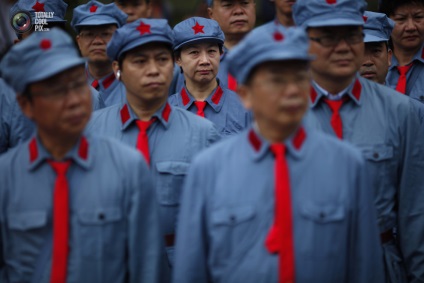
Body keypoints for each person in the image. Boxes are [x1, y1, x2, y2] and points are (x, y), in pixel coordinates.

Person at [173, 24, 384, 283]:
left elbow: (365, 269)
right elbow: (191, 271)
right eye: (276, 80)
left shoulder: (347, 165)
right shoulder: (209, 169)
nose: (292, 90)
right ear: (245, 95)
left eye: (299, 77)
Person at [0, 28, 167, 283]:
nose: (74, 100)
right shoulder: (6, 177)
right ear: (26, 105)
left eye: (78, 84)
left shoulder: (127, 169)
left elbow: (148, 268)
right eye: (55, 90)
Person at [292, 0, 424, 281]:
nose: (343, 47)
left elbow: (414, 214)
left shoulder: (401, 111)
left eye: (352, 35)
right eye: (328, 37)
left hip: (379, 265)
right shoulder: (282, 113)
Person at [87, 18, 220, 267]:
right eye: (139, 61)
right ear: (118, 68)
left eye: (162, 59)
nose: (153, 70)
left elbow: (216, 217)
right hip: (107, 261)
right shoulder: (92, 130)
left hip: (177, 262)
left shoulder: (203, 133)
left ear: (173, 66)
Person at [169, 17, 251, 136]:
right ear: (178, 59)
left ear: (221, 54)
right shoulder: (166, 112)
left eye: (211, 51)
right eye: (194, 52)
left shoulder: (244, 109)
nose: (205, 61)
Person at [72, 0, 128, 107]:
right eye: (89, 34)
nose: (97, 41)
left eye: (105, 34)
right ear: (79, 42)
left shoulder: (134, 85)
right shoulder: (68, 81)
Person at [381, 0, 424, 101]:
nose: (411, 27)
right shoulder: (375, 64)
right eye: (401, 19)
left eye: (418, 17)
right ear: (386, 22)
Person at [359, 11, 394, 84]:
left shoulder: (398, 96)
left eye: (376, 51)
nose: (368, 62)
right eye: (360, 52)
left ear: (389, 57)